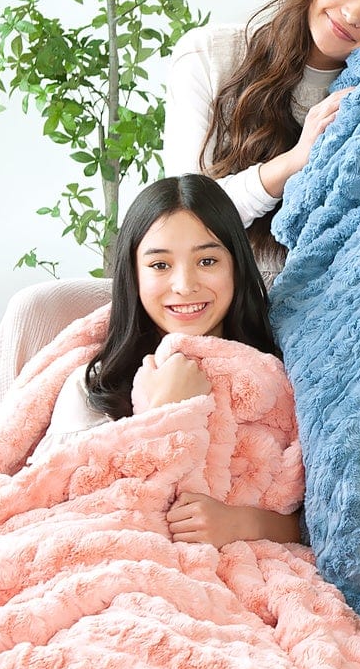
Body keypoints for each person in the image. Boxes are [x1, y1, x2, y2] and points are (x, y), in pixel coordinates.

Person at [0, 0, 360, 412]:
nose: (355, 13)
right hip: (184, 287)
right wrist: (297, 162)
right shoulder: (213, 55)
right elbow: (183, 215)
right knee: (36, 310)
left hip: (279, 307)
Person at [31, 173, 300, 547]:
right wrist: (163, 413)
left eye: (207, 260)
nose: (185, 285)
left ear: (236, 266)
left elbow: (325, 521)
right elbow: (64, 516)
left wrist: (243, 524)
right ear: (134, 275)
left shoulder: (279, 379)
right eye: (160, 265)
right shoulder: (94, 385)